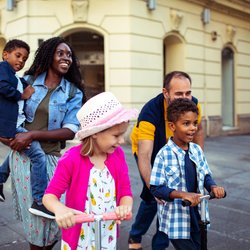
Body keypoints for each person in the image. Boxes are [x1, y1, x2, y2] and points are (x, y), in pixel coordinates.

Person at [4, 37, 85, 250]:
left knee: (54, 224)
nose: (66, 57)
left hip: (52, 161)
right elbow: (6, 110)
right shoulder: (27, 81)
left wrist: (31, 136)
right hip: (22, 159)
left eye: (69, 55)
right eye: (61, 53)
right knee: (38, 226)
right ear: (49, 56)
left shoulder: (72, 92)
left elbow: (70, 131)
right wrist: (7, 138)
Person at [43, 91, 137, 249]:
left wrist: (124, 206)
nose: (121, 141)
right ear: (95, 133)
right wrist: (60, 209)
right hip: (79, 237)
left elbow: (125, 192)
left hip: (107, 232)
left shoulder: (117, 155)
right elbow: (49, 197)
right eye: (116, 135)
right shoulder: (71, 159)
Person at [128, 71, 204, 250]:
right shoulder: (150, 112)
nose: (184, 98)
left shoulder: (193, 104)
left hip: (178, 147)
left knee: (173, 196)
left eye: (188, 93)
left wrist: (198, 159)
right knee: (153, 198)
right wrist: (154, 188)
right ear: (166, 92)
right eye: (179, 94)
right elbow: (145, 156)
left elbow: (199, 129)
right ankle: (135, 234)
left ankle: (159, 244)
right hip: (150, 149)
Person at [150, 98, 225, 250]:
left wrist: (213, 186)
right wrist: (182, 194)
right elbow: (156, 188)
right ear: (172, 126)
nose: (192, 128)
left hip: (198, 216)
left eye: (195, 123)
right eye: (186, 123)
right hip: (176, 220)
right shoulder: (163, 155)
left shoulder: (196, 150)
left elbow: (205, 175)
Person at [0, 39, 52, 218]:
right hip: (11, 125)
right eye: (17, 55)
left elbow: (27, 80)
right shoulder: (3, 69)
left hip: (17, 124)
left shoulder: (16, 77)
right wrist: (22, 95)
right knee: (38, 156)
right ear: (5, 54)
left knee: (18, 150)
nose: (21, 61)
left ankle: (0, 179)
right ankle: (39, 200)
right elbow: (2, 87)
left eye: (24, 58)